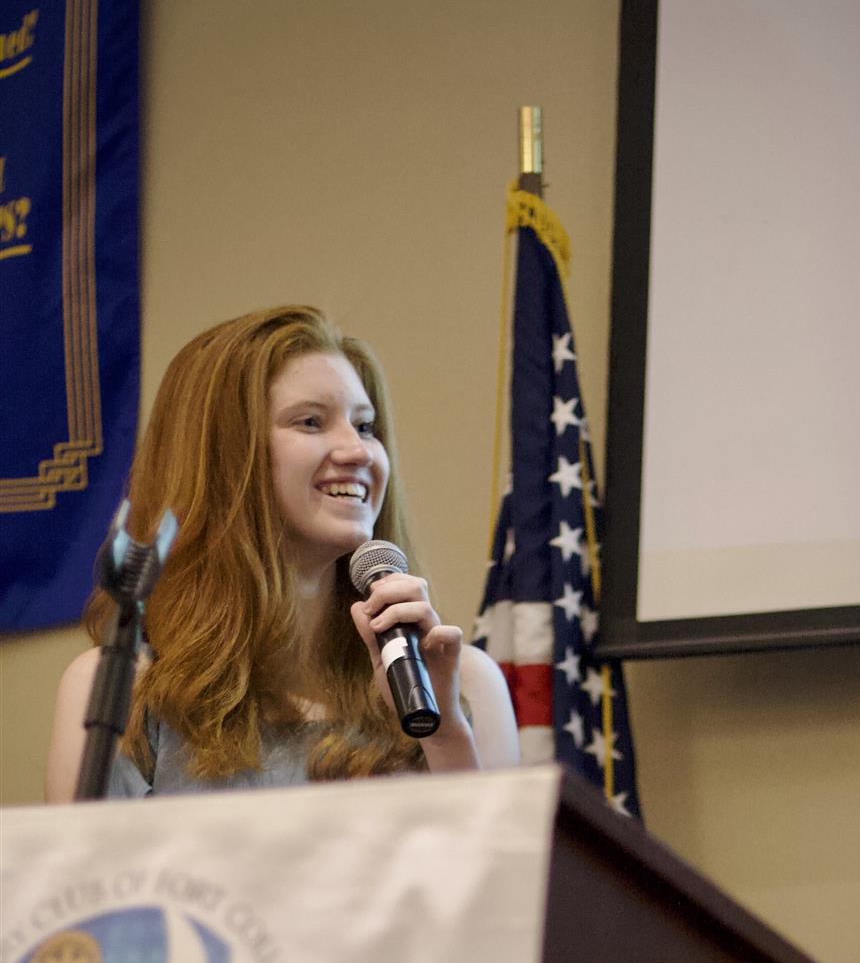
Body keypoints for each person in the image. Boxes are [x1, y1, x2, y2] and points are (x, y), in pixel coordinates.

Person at [45, 305, 519, 800]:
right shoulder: (120, 690)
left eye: (365, 426)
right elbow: (87, 853)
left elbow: (500, 850)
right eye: (311, 422)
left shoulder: (464, 684)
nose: (358, 451)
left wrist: (443, 735)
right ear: (224, 457)